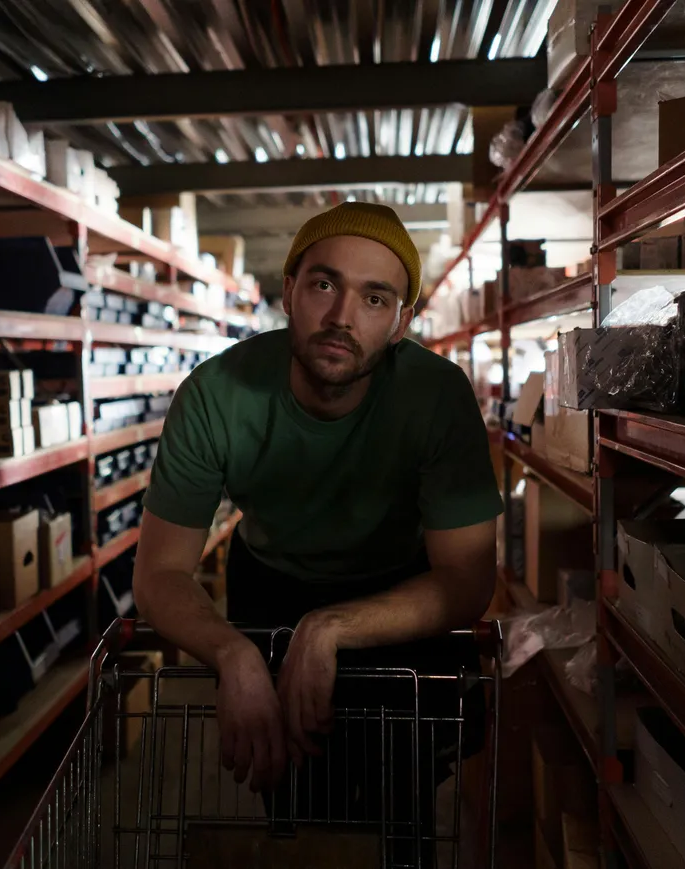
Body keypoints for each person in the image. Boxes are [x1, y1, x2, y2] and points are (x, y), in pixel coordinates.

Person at [132, 201, 501, 860]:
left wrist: (331, 627)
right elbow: (159, 572)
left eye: (374, 297)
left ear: (401, 321)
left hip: (399, 592)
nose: (341, 317)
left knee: (401, 802)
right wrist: (233, 653)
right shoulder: (217, 394)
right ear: (289, 292)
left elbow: (469, 576)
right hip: (271, 588)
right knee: (297, 801)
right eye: (324, 284)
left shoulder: (437, 397)